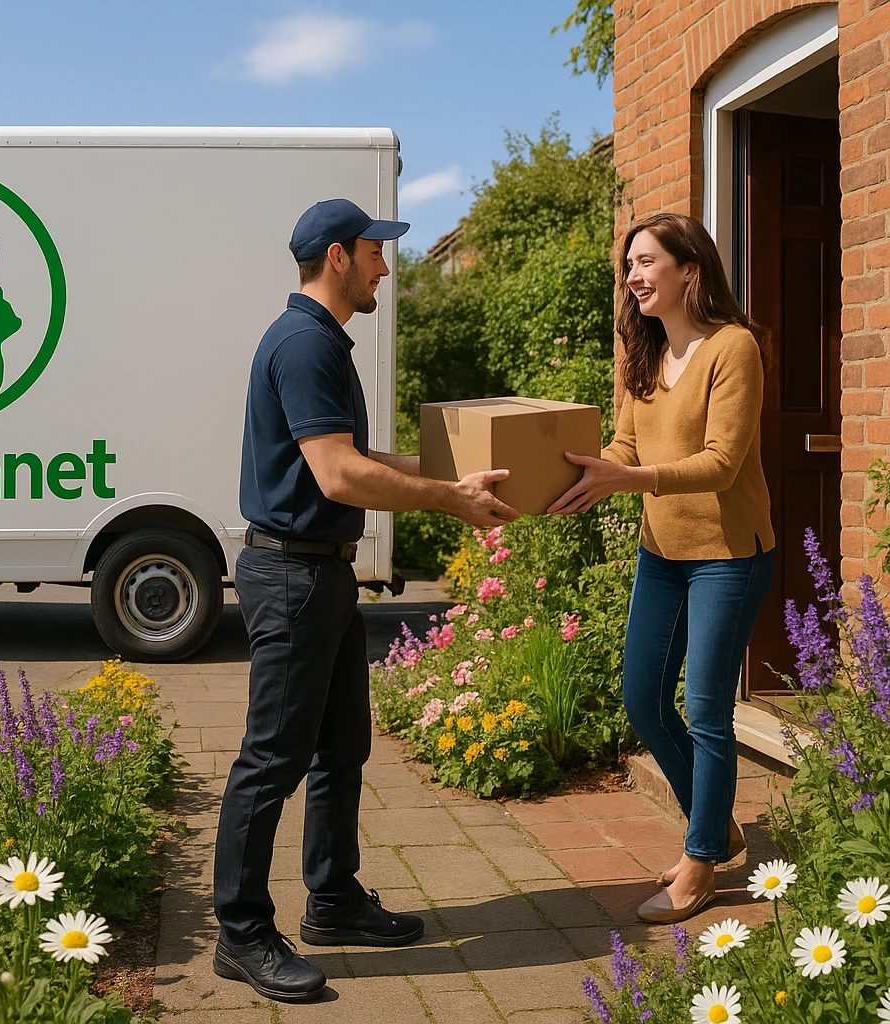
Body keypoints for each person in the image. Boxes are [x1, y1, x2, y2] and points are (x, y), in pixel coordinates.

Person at [212, 199, 517, 1002]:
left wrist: (443, 472)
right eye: (375, 252)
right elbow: (338, 475)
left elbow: (351, 452)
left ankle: (333, 899)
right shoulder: (304, 343)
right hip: (293, 577)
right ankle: (241, 933)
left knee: (341, 746)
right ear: (339, 257)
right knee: (271, 758)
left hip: (323, 572)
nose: (386, 266)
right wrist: (448, 500)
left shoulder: (320, 339)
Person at [547, 212, 776, 925]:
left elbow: (722, 462)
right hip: (663, 554)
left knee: (706, 711)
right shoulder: (643, 352)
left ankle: (701, 863)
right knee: (644, 700)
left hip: (728, 556)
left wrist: (631, 479)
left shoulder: (733, 347)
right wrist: (576, 476)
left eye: (646, 262)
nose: (634, 277)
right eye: (629, 265)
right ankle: (718, 827)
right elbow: (624, 445)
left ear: (690, 270)